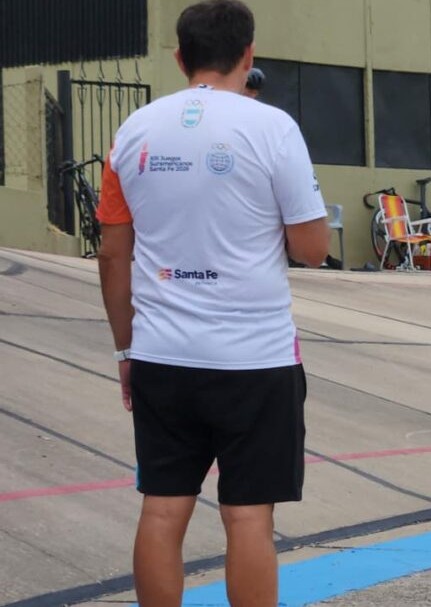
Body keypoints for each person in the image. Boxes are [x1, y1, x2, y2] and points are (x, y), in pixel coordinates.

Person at [94, 1, 329, 605]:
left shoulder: (132, 131)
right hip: (256, 359)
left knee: (162, 510)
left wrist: (127, 348)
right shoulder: (273, 127)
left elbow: (112, 256)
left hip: (162, 355)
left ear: (179, 58)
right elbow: (311, 249)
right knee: (249, 518)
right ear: (248, 55)